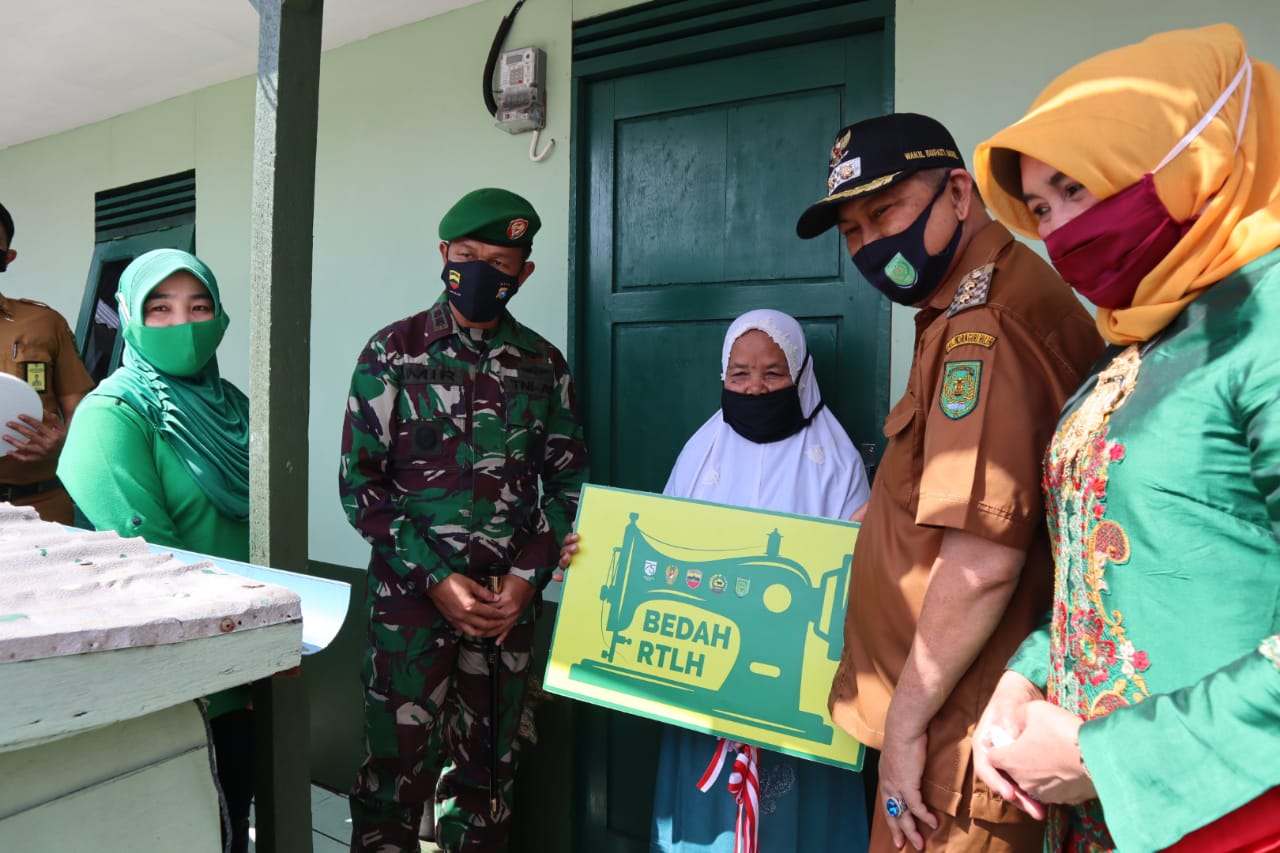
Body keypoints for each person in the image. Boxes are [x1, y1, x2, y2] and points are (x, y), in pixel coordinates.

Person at [969, 24, 1280, 853]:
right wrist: (1023, 675)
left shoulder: (1267, 322)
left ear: (1193, 156)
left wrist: (1105, 755)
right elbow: (1115, 564)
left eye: (1079, 187)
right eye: (1041, 208)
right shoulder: (1143, 334)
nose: (1062, 228)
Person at [793, 113, 1105, 852]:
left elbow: (985, 561)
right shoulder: (960, 304)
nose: (871, 245)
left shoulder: (983, 325)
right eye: (852, 231)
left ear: (959, 193)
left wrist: (904, 729)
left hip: (956, 737)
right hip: (952, 715)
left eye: (885, 212)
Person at [560, 308, 871, 853]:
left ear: (800, 374)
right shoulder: (702, 451)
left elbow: (856, 570)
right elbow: (662, 542)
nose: (755, 388)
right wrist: (591, 558)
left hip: (801, 690)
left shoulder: (837, 461)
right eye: (739, 374)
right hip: (709, 676)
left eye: (773, 373)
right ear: (721, 377)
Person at [340, 187, 589, 853]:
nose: (480, 272)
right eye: (467, 255)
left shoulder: (543, 366)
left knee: (486, 780)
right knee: (393, 780)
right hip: (410, 612)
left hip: (505, 615)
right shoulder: (393, 353)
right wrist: (438, 583)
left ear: (523, 273)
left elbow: (568, 483)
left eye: (499, 263)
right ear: (444, 253)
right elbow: (361, 486)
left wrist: (526, 582)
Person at [57, 248, 255, 852]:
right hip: (170, 673)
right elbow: (147, 559)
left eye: (199, 307)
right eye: (160, 308)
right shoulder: (113, 414)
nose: (183, 325)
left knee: (231, 823)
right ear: (131, 318)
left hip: (250, 661)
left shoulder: (237, 409)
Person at [0, 201, 95, 523]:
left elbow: (81, 410)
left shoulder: (44, 322)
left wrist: (66, 441)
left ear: (7, 259)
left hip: (42, 505)